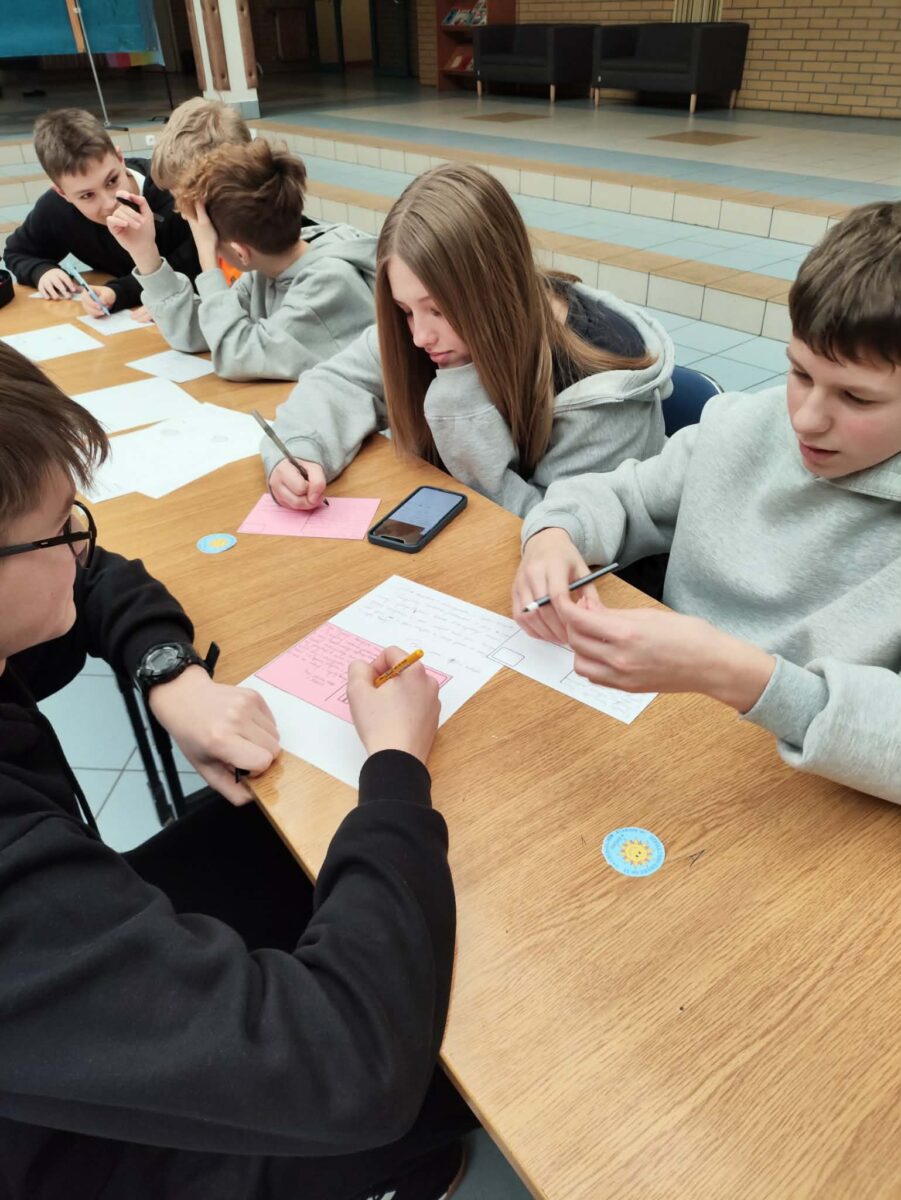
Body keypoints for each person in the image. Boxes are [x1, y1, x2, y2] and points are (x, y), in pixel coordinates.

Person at [0, 341, 474, 1198]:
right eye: (63, 524)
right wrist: (396, 767)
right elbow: (350, 1066)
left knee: (274, 846)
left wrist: (169, 675)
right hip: (72, 1159)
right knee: (454, 1049)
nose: (82, 544)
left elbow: (101, 577)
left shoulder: (28, 581)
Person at [512, 200, 901, 804]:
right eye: (799, 373)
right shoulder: (741, 425)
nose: (806, 418)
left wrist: (734, 674)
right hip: (658, 748)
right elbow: (621, 493)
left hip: (803, 803)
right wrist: (554, 534)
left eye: (856, 398)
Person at [263, 162, 671, 519]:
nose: (420, 336)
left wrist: (458, 403)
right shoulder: (432, 331)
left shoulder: (602, 389)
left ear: (494, 289)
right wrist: (300, 450)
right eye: (406, 310)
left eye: (438, 310)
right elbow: (339, 381)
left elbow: (559, 532)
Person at [106, 138, 378, 382]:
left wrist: (208, 261)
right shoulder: (266, 272)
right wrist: (145, 253)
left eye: (212, 244)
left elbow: (235, 356)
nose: (210, 249)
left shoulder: (329, 284)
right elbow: (201, 333)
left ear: (240, 253)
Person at [3, 108, 199, 316]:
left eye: (112, 181)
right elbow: (17, 252)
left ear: (120, 158)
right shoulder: (56, 209)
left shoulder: (173, 191)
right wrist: (42, 271)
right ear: (62, 193)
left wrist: (121, 292)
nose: (109, 204)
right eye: (87, 195)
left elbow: (193, 266)